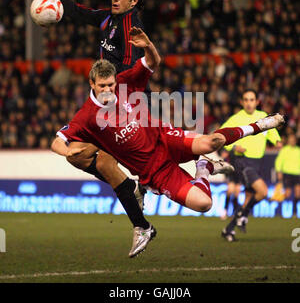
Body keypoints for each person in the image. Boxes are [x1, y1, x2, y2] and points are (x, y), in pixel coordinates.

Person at [50, 28, 285, 253]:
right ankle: (204, 167)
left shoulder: (124, 82)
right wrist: (67, 152)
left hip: (164, 137)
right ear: (92, 84)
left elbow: (153, 62)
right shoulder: (87, 116)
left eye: (110, 84)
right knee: (204, 204)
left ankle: (260, 125)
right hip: (153, 170)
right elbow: (58, 140)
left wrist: (148, 45)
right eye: (102, 86)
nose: (108, 90)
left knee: (211, 142)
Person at [27, 0, 153, 257]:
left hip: (127, 105)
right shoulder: (108, 19)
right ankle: (140, 214)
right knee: (78, 156)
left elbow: (131, 70)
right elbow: (77, 11)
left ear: (134, 1)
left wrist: (105, 93)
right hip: (108, 103)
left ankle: (142, 205)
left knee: (99, 161)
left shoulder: (133, 27)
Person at [220, 89, 283, 242]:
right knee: (263, 192)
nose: (249, 103)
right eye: (246, 100)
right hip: (243, 162)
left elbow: (272, 133)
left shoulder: (262, 116)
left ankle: (228, 229)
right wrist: (234, 147)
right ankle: (243, 215)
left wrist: (277, 141)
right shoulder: (236, 118)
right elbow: (220, 135)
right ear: (242, 102)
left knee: (248, 198)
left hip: (258, 163)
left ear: (257, 102)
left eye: (252, 99)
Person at [275, 133, 300, 217]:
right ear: (289, 141)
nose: (292, 141)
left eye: (293, 140)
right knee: (287, 194)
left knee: (298, 193)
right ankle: (280, 211)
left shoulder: (298, 150)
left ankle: (294, 212)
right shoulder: (284, 150)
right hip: (287, 174)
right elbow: (279, 161)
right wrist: (279, 172)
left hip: (297, 173)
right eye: (291, 140)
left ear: (295, 141)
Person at [220, 149, 241, 220]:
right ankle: (225, 210)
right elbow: (223, 153)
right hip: (231, 172)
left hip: (239, 172)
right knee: (230, 190)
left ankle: (235, 212)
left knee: (237, 193)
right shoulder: (231, 148)